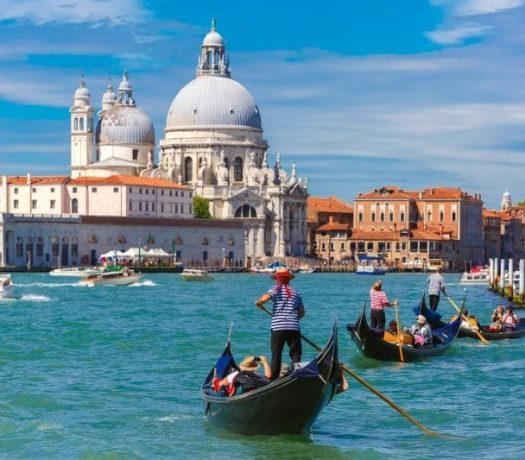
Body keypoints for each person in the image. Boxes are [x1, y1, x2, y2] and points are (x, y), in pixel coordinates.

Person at [255, 268, 305, 380]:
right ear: (288, 280)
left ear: (277, 279)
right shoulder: (296, 292)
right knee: (295, 354)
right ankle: (296, 376)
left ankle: (273, 379)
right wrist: (292, 321)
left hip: (278, 327)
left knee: (276, 353)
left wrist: (258, 303)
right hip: (294, 327)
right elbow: (302, 313)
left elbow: (264, 299)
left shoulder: (275, 289)